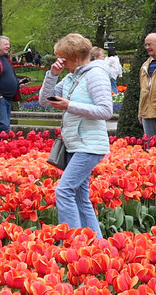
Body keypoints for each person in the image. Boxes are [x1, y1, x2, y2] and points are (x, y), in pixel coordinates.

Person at [40, 32, 115, 235]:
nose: (60, 62)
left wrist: (69, 105)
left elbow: (106, 111)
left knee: (64, 191)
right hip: (75, 144)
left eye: (62, 58)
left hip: (89, 145)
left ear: (74, 57)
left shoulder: (95, 74)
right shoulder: (73, 76)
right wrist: (52, 75)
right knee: (81, 197)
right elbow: (45, 101)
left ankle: (73, 242)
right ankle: (97, 246)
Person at [136, 32, 156, 138]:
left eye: (150, 44)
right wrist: (140, 112)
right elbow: (143, 90)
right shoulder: (144, 66)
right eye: (146, 45)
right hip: (146, 113)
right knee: (150, 147)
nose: (147, 47)